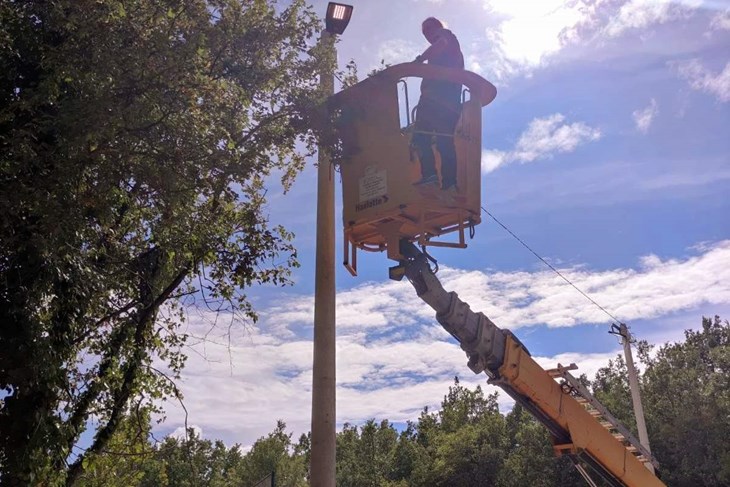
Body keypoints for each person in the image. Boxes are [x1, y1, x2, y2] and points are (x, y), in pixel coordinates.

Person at [411, 17, 464, 191]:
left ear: (437, 26)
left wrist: (419, 60)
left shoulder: (445, 36)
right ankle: (448, 183)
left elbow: (440, 44)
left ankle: (431, 176)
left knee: (420, 137)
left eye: (428, 29)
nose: (427, 34)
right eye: (424, 32)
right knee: (443, 141)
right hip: (448, 103)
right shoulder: (446, 53)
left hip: (436, 101)